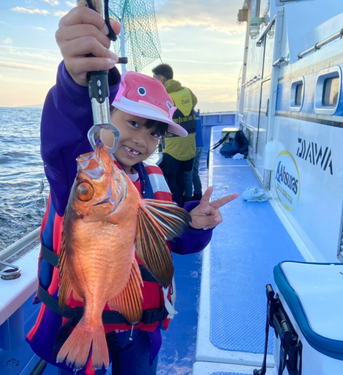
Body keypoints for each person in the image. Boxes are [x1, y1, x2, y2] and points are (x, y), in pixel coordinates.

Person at [26, 5, 238, 375]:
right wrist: (78, 82)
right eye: (134, 122)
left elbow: (171, 241)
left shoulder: (153, 180)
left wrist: (196, 224)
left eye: (155, 131)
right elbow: (64, 134)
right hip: (81, 321)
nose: (142, 138)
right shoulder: (80, 176)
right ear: (106, 117)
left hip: (138, 328)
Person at [152, 63, 198, 206]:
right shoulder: (188, 92)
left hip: (172, 148)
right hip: (190, 146)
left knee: (170, 178)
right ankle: (188, 202)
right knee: (185, 177)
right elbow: (193, 103)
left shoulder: (162, 96)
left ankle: (178, 206)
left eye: (155, 79)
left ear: (162, 80)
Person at [184, 109, 203, 201]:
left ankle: (187, 197)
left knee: (188, 173)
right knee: (195, 172)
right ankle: (198, 194)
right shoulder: (195, 114)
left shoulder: (187, 115)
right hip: (200, 145)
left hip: (192, 147)